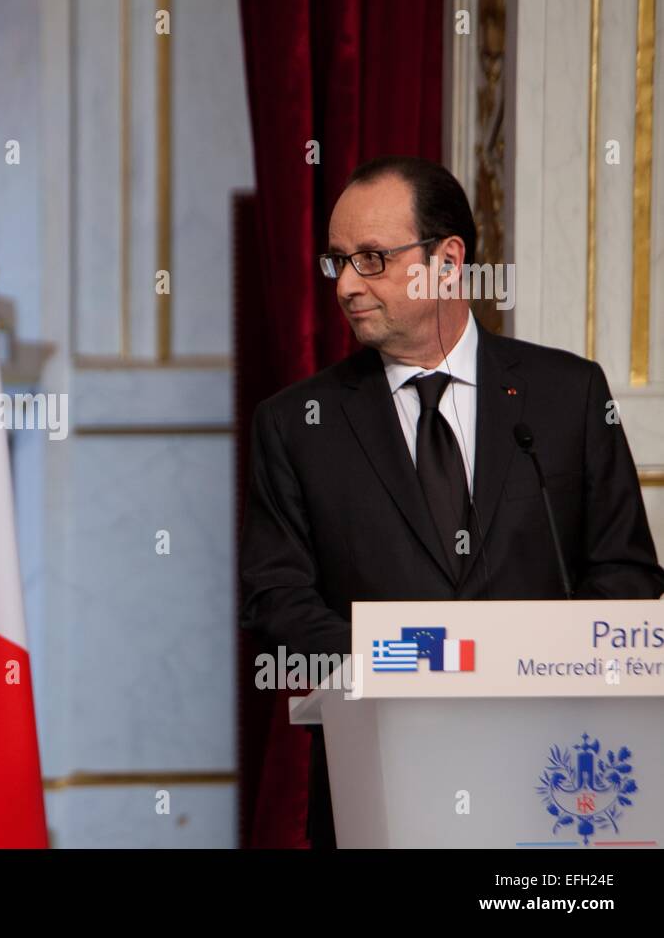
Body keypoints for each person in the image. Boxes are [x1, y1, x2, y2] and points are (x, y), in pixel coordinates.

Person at [239, 155, 664, 847]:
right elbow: (274, 598)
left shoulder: (568, 396)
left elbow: (625, 574)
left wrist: (529, 663)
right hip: (378, 781)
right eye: (337, 261)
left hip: (554, 784)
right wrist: (410, 663)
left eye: (372, 259)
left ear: (447, 260)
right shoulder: (296, 423)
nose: (346, 285)